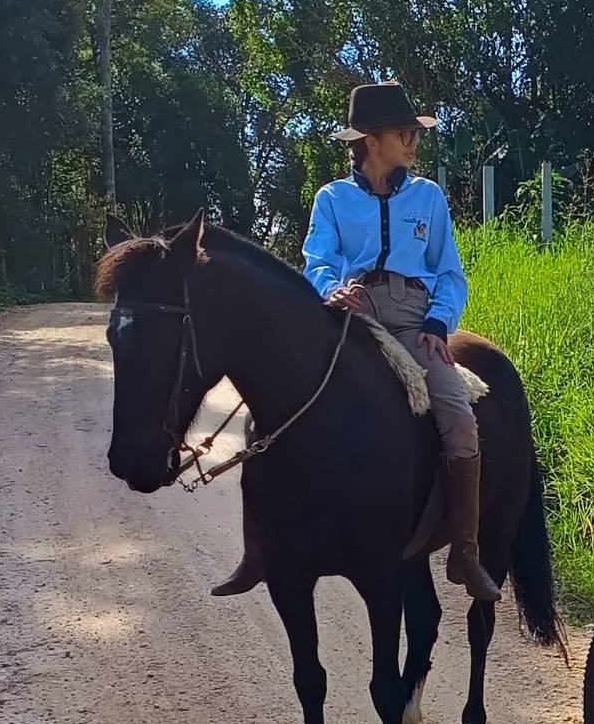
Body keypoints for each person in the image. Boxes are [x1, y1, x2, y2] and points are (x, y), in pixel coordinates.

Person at [211, 80, 499, 602]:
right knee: (262, 415)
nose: (413, 141)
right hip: (351, 318)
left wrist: (438, 322)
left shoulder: (428, 198)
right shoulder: (333, 199)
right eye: (403, 132)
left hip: (414, 320)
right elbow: (317, 261)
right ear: (370, 140)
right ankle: (259, 549)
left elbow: (450, 272)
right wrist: (331, 289)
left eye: (414, 132)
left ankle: (465, 549)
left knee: (458, 413)